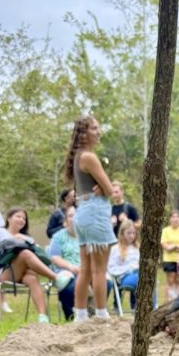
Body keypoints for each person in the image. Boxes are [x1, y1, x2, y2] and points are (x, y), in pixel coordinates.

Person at [65, 115, 116, 322]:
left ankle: (80, 315)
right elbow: (111, 190)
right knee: (99, 270)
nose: (98, 132)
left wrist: (101, 189)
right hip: (95, 213)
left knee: (85, 269)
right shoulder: (89, 157)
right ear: (84, 134)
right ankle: (102, 315)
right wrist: (104, 189)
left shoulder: (78, 156)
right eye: (94, 128)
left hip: (83, 214)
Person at [0, 208, 71, 324]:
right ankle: (55, 278)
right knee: (24, 253)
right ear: (9, 218)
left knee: (32, 278)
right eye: (18, 216)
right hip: (5, 273)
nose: (21, 220)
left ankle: (43, 317)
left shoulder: (27, 238)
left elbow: (40, 256)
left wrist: (30, 243)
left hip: (25, 273)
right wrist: (10, 245)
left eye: (24, 218)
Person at [49, 205, 86, 320]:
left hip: (86, 270)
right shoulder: (58, 237)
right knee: (69, 286)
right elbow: (55, 258)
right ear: (65, 222)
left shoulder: (87, 236)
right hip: (66, 270)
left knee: (106, 282)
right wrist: (71, 267)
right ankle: (70, 315)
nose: (74, 218)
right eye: (71, 216)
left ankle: (91, 313)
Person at [108, 220, 140, 310]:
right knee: (144, 279)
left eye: (133, 233)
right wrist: (129, 268)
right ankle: (141, 307)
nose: (132, 236)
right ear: (122, 233)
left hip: (137, 274)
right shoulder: (115, 249)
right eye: (129, 233)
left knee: (148, 277)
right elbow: (111, 268)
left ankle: (148, 307)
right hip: (123, 277)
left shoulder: (137, 248)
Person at [161, 210, 179, 301]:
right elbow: (165, 246)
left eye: (177, 217)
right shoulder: (165, 231)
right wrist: (177, 246)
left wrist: (173, 246)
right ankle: (169, 300)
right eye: (173, 217)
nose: (175, 219)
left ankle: (178, 300)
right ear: (170, 219)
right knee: (170, 280)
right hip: (169, 259)